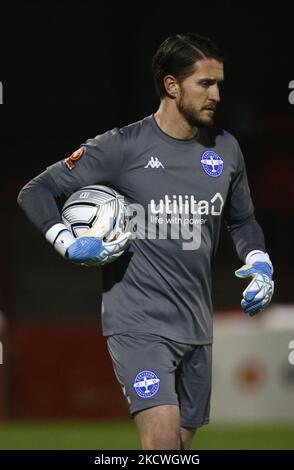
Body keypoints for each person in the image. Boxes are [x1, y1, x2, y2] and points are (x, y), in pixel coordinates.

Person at [17, 33, 274, 450]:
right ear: (172, 86)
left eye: (219, 84)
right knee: (161, 442)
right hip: (137, 324)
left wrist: (260, 261)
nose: (217, 95)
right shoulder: (121, 147)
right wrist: (66, 241)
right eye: (205, 84)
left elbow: (242, 220)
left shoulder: (226, 150)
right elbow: (35, 191)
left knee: (178, 448)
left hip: (196, 324)